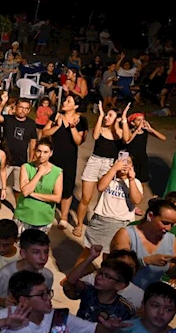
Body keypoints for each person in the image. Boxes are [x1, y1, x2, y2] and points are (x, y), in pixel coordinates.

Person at [74, 102, 126, 237]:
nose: (106, 117)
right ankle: (79, 225)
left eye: (110, 115)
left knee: (103, 198)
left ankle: (96, 225)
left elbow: (125, 138)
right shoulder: (101, 129)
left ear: (118, 119)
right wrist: (100, 115)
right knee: (86, 198)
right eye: (106, 115)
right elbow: (95, 136)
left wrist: (120, 121)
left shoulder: (120, 132)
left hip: (109, 165)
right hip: (94, 162)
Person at [109, 199, 176, 289]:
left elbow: (172, 274)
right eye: (165, 223)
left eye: (172, 224)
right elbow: (117, 267)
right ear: (150, 216)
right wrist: (147, 261)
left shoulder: (171, 240)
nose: (168, 228)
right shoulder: (126, 234)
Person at [44, 94, 89, 228]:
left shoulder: (82, 121)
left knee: (67, 187)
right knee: (49, 185)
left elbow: (79, 141)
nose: (64, 102)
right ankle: (48, 213)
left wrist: (73, 127)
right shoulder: (56, 116)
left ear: (75, 106)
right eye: (65, 99)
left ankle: (63, 216)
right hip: (53, 157)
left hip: (69, 158)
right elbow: (45, 133)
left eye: (68, 101)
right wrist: (57, 126)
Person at [63, 247, 137, 323]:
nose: (98, 277)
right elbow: (71, 281)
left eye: (106, 276)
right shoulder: (88, 291)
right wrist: (90, 257)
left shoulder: (125, 308)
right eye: (99, 273)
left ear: (119, 285)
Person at [0, 229, 56, 309]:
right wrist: (3, 302)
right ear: (23, 253)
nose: (43, 257)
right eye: (36, 252)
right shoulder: (6, 274)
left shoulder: (47, 276)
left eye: (46, 252)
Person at [0, 94, 38, 201]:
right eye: (21, 107)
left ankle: (17, 212)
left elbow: (33, 142)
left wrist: (31, 160)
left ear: (29, 110)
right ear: (15, 107)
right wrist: (2, 103)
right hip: (6, 159)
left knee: (18, 189)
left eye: (26, 108)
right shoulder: (8, 119)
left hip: (22, 161)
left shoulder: (31, 124)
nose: (23, 110)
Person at [13, 137, 63, 234]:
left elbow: (57, 198)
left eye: (45, 152)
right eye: (39, 151)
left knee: (37, 248)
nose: (41, 155)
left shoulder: (57, 172)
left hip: (44, 218)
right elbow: (25, 191)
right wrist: (39, 173)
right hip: (24, 215)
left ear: (51, 153)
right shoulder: (26, 167)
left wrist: (33, 194)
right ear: (35, 151)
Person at [123, 112, 166, 187]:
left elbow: (163, 138)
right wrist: (137, 130)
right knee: (128, 178)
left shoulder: (145, 131)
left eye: (143, 119)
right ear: (133, 123)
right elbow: (127, 140)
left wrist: (150, 129)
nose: (142, 122)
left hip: (142, 157)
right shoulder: (130, 131)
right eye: (138, 120)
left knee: (141, 180)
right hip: (131, 158)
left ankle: (139, 195)